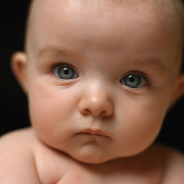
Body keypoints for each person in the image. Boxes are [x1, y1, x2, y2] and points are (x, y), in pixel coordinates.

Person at [0, 0, 184, 183]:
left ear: (172, 95)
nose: (96, 104)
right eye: (65, 72)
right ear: (26, 77)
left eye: (133, 80)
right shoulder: (16, 158)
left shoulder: (172, 170)